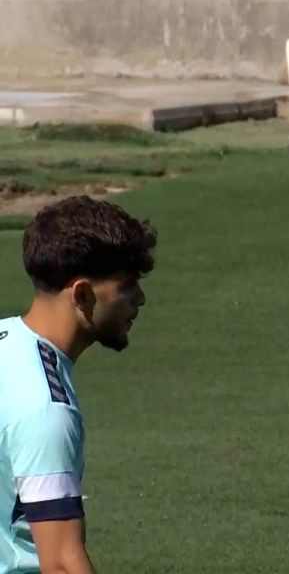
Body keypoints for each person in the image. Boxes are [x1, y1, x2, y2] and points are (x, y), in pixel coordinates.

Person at [0, 196, 157, 573]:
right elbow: (62, 564)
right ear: (83, 294)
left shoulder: (6, 336)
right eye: (127, 287)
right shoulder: (47, 410)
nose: (140, 300)